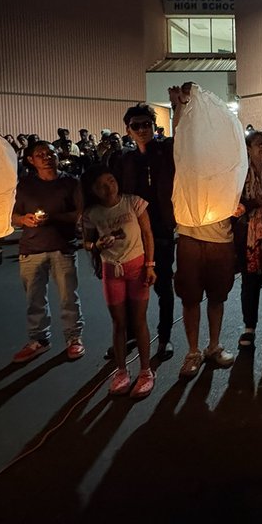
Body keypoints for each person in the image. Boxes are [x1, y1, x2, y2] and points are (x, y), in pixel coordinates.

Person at [170, 85, 237, 377]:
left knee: (218, 296)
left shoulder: (226, 161)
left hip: (221, 239)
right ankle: (193, 350)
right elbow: (181, 142)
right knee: (190, 298)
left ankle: (213, 345)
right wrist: (179, 108)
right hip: (190, 238)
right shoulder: (189, 160)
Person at [82, 166, 157, 397]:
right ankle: (121, 370)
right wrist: (96, 245)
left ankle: (146, 371)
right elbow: (86, 242)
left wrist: (150, 265)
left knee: (139, 320)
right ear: (93, 190)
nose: (108, 187)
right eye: (101, 185)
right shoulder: (91, 214)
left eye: (111, 180)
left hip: (137, 267)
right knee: (119, 323)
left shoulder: (133, 202)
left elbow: (147, 233)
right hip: (111, 270)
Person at [109, 102, 176, 359]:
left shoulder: (166, 150)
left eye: (146, 124)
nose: (142, 129)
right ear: (128, 130)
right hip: (131, 232)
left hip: (161, 228)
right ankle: (133, 336)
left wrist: (179, 107)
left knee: (163, 285)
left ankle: (165, 337)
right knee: (131, 288)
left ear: (154, 126)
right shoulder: (124, 159)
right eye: (136, 126)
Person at [11, 140, 84, 362]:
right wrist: (23, 219)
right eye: (40, 154)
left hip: (63, 246)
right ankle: (39, 339)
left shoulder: (70, 183)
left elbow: (79, 213)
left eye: (50, 153)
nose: (47, 157)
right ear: (31, 160)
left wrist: (53, 218)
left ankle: (74, 338)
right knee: (34, 298)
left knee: (68, 296)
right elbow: (12, 215)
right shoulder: (23, 185)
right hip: (31, 247)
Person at [236, 129, 262, 351]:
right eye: (257, 144)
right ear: (248, 150)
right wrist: (257, 203)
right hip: (249, 235)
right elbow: (237, 201)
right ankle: (249, 327)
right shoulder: (240, 173)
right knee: (249, 282)